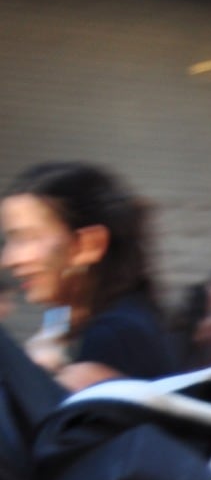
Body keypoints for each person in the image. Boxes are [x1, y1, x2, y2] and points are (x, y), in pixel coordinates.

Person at [0, 162, 175, 390]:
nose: (8, 260)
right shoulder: (65, 316)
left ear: (89, 245)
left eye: (27, 238)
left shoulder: (115, 337)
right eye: (9, 241)